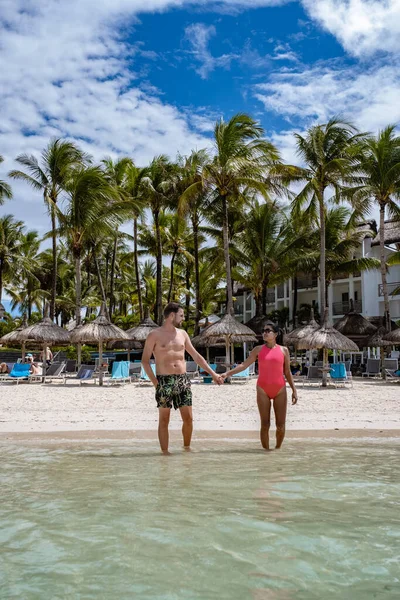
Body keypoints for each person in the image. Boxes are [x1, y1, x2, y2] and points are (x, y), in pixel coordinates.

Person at [142, 302, 223, 455]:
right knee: (164, 420)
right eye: (181, 315)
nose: (183, 318)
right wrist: (156, 384)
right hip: (164, 381)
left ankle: (186, 449)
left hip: (183, 380)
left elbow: (196, 357)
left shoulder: (183, 334)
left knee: (189, 419)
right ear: (171, 316)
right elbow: (145, 361)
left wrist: (213, 374)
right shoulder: (154, 335)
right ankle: (164, 454)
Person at [223, 323, 298, 451]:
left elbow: (287, 372)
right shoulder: (258, 350)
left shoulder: (284, 350)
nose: (264, 333)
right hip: (263, 389)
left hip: (280, 389)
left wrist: (294, 390)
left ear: (275, 334)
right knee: (265, 424)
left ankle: (277, 450)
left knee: (280, 425)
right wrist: (227, 373)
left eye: (268, 331)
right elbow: (244, 365)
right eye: (263, 331)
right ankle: (266, 453)